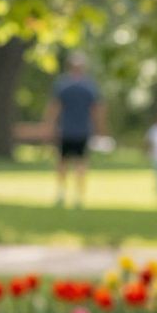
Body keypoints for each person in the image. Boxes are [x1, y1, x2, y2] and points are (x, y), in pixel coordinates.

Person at [48, 53, 104, 207]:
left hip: (70, 130)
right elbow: (96, 110)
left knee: (64, 162)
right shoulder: (89, 86)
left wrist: (50, 126)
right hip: (76, 130)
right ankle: (75, 195)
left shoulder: (63, 84)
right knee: (77, 163)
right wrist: (100, 129)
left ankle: (65, 193)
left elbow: (54, 108)